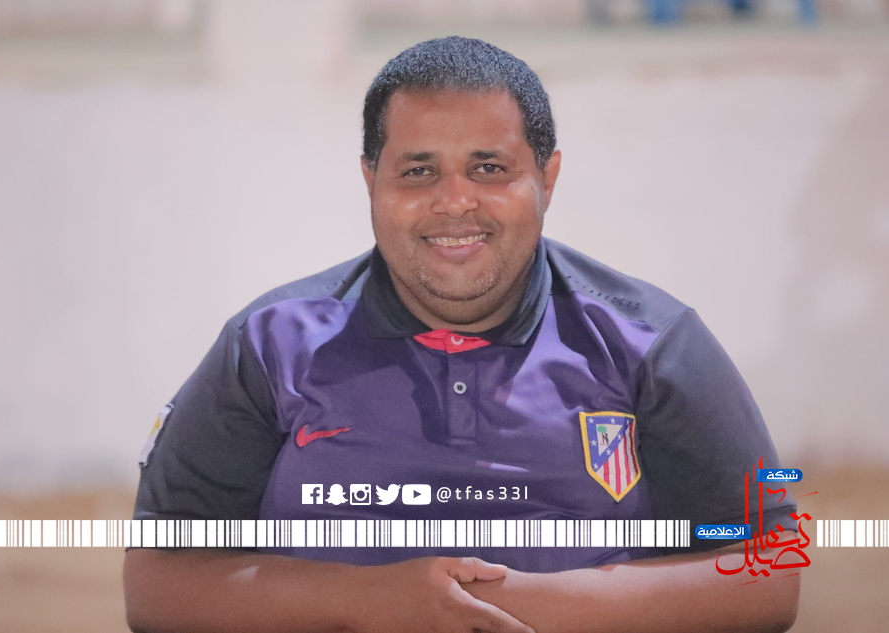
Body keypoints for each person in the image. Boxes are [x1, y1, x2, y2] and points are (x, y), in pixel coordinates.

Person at [124, 36, 800, 633]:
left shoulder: (652, 344)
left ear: (547, 178)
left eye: (489, 168)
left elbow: (770, 567)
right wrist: (367, 601)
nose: (454, 201)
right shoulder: (271, 345)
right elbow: (157, 582)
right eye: (418, 171)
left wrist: (506, 606)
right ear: (371, 180)